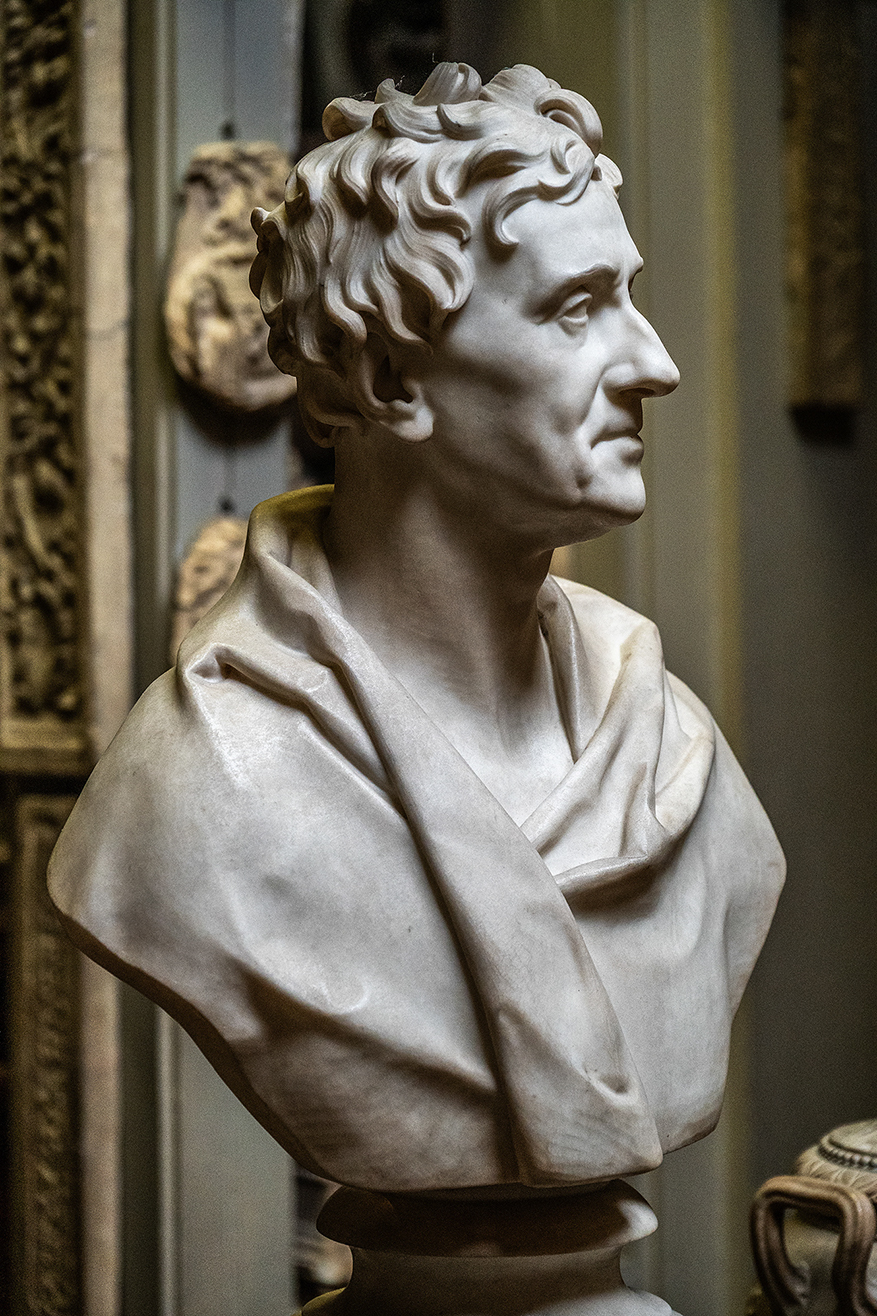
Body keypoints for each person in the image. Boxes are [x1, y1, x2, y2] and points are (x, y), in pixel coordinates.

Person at [49, 62, 784, 1194]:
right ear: (392, 373)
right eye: (578, 308)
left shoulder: (675, 753)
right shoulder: (198, 795)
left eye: (630, 300)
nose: (656, 363)